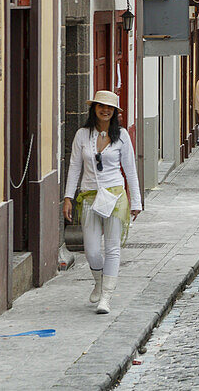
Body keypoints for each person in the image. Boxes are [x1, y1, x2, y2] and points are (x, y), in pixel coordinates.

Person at [63, 91, 143, 314]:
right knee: (91, 250)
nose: (105, 110)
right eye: (101, 106)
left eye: (110, 108)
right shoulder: (82, 135)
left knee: (112, 247)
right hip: (89, 196)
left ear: (115, 112)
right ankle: (98, 282)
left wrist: (136, 201)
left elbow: (130, 170)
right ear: (94, 109)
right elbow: (74, 167)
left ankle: (106, 296)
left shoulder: (122, 136)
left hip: (115, 196)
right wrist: (68, 197)